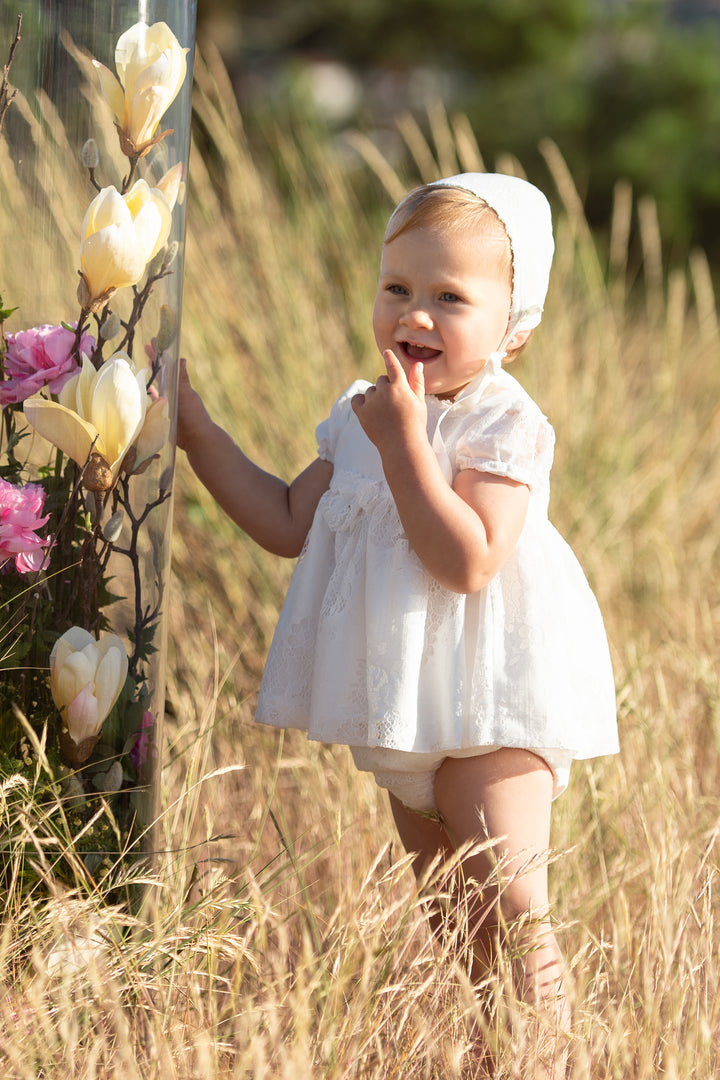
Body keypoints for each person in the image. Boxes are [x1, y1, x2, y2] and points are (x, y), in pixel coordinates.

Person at [177, 172, 619, 1077]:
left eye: (451, 297)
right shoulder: (362, 415)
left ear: (514, 328)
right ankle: (496, 1055)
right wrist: (197, 432)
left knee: (512, 899)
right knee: (453, 916)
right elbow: (286, 521)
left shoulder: (503, 421)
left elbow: (468, 562)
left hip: (495, 695)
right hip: (405, 702)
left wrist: (407, 446)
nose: (415, 314)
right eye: (398, 288)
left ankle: (555, 1060)